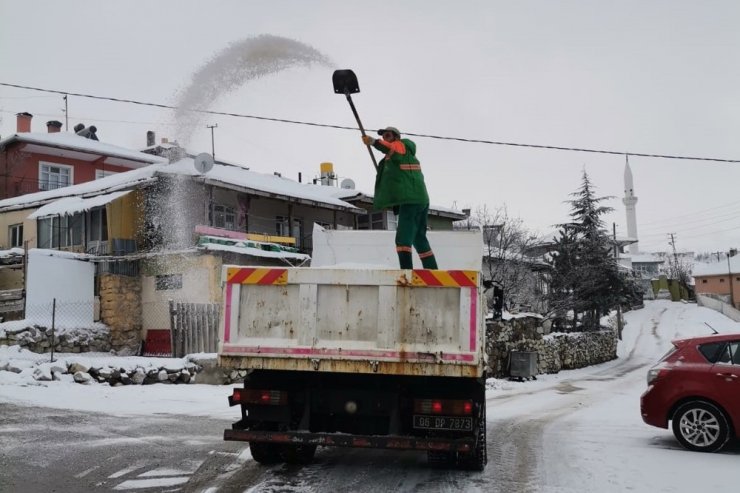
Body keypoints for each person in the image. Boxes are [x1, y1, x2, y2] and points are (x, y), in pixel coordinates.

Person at [362, 126, 438, 269]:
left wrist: (374, 142)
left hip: (410, 200)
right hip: (421, 200)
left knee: (402, 239)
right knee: (419, 238)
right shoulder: (401, 157)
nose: (385, 138)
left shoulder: (401, 146)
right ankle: (432, 271)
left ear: (396, 137)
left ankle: (406, 273)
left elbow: (391, 148)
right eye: (383, 136)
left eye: (388, 135)